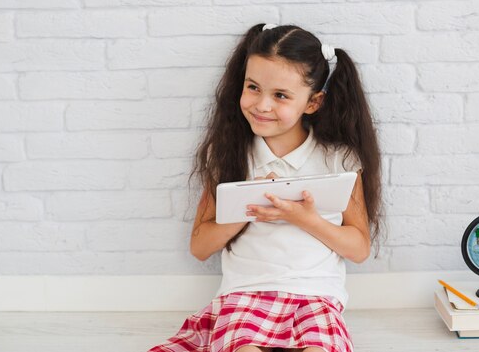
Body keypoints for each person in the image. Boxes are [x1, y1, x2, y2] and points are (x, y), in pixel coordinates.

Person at [148, 23, 383, 352]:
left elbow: (358, 249)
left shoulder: (338, 159)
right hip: (245, 294)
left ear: (313, 102)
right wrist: (249, 206)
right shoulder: (229, 155)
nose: (261, 105)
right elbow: (200, 246)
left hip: (315, 298)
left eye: (281, 95)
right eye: (253, 87)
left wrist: (306, 218)